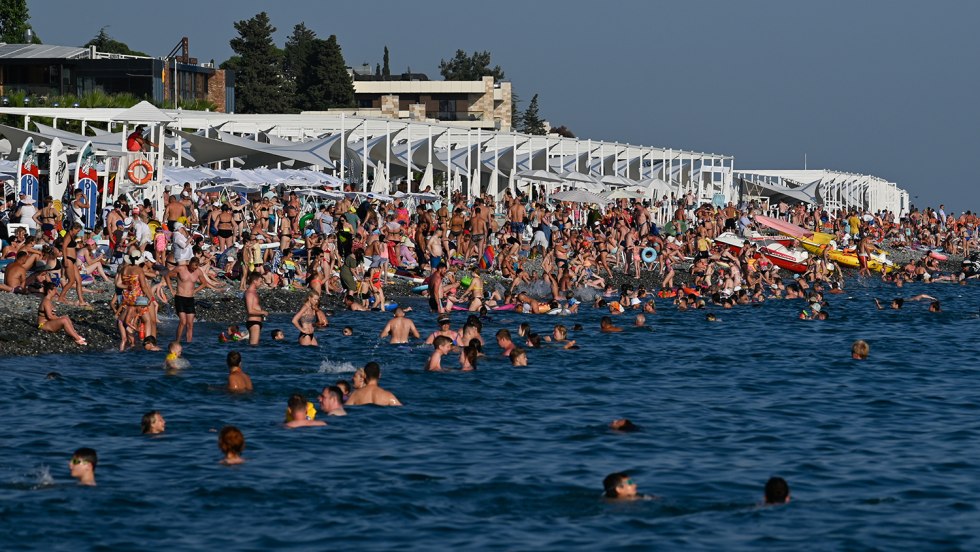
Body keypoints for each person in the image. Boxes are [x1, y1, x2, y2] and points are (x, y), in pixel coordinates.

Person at [169, 256, 222, 343]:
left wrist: (195, 291)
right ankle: (177, 341)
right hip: (180, 297)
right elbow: (167, 276)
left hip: (190, 299)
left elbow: (204, 283)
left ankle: (189, 343)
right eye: (193, 267)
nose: (194, 269)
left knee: (190, 324)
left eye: (196, 267)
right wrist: (171, 289)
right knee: (183, 321)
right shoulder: (181, 268)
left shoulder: (198, 271)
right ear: (189, 264)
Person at [37, 282, 87, 346]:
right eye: (54, 290)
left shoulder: (48, 300)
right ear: (49, 291)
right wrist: (59, 318)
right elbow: (49, 316)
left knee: (65, 317)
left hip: (47, 323)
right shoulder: (46, 301)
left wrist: (60, 318)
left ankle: (76, 335)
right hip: (42, 325)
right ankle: (77, 339)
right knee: (64, 320)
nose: (56, 291)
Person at [244, 271, 268, 345]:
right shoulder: (250, 293)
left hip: (256, 322)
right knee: (254, 346)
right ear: (254, 281)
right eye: (260, 281)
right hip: (253, 322)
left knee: (254, 345)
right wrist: (263, 312)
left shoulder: (254, 292)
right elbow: (250, 310)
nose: (261, 284)